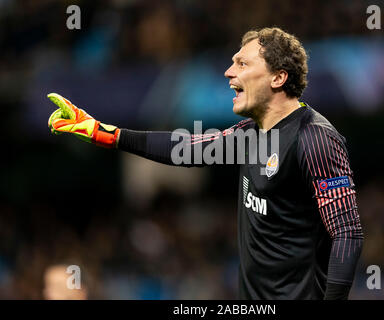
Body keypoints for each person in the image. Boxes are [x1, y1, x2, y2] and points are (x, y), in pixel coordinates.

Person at [47, 27, 363, 300]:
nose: (229, 72)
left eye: (242, 63)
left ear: (278, 77)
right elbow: (186, 147)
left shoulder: (315, 139)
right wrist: (105, 133)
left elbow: (347, 233)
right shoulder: (250, 135)